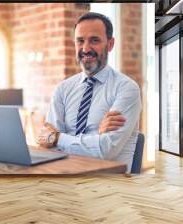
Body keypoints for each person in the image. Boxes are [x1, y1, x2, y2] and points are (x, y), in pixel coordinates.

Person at [36, 12, 141, 173]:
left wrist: (58, 138)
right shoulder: (63, 89)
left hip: (110, 186)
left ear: (110, 44)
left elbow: (104, 150)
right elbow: (48, 146)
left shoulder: (126, 88)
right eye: (80, 41)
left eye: (94, 40)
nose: (86, 48)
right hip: (65, 179)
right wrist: (95, 137)